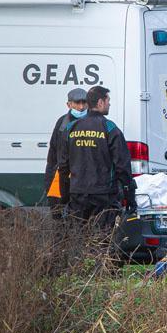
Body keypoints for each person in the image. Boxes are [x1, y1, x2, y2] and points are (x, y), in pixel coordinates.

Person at [57, 86, 136, 230]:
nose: (109, 104)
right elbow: (122, 166)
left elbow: (62, 167)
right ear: (100, 102)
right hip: (103, 196)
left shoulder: (71, 128)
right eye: (108, 100)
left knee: (79, 239)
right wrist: (129, 195)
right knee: (102, 240)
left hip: (77, 196)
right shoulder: (110, 128)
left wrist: (65, 199)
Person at [44, 88, 88, 217]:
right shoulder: (62, 123)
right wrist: (49, 180)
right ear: (69, 104)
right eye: (77, 103)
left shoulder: (93, 123)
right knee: (60, 219)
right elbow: (53, 153)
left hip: (83, 180)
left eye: (84, 102)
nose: (81, 107)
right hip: (63, 177)